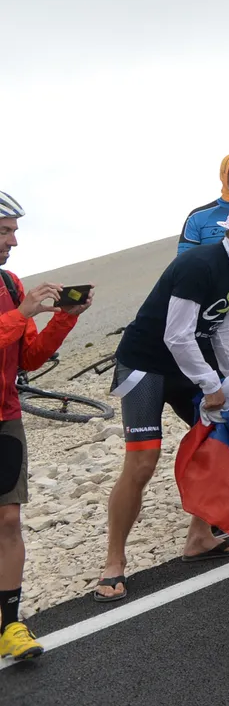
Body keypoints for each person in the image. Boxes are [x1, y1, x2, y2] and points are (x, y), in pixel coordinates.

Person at [96, 202, 229, 603]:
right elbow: (177, 335)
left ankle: (200, 537)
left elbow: (223, 327)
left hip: (184, 366)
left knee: (219, 438)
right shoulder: (201, 264)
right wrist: (211, 383)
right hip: (146, 366)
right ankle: (114, 561)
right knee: (142, 462)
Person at [0, 191, 90, 659]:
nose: (13, 241)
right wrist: (21, 315)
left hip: (5, 418)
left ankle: (10, 626)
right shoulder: (16, 299)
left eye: (14, 230)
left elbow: (29, 357)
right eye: (4, 230)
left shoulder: (11, 284)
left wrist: (63, 320)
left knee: (8, 519)